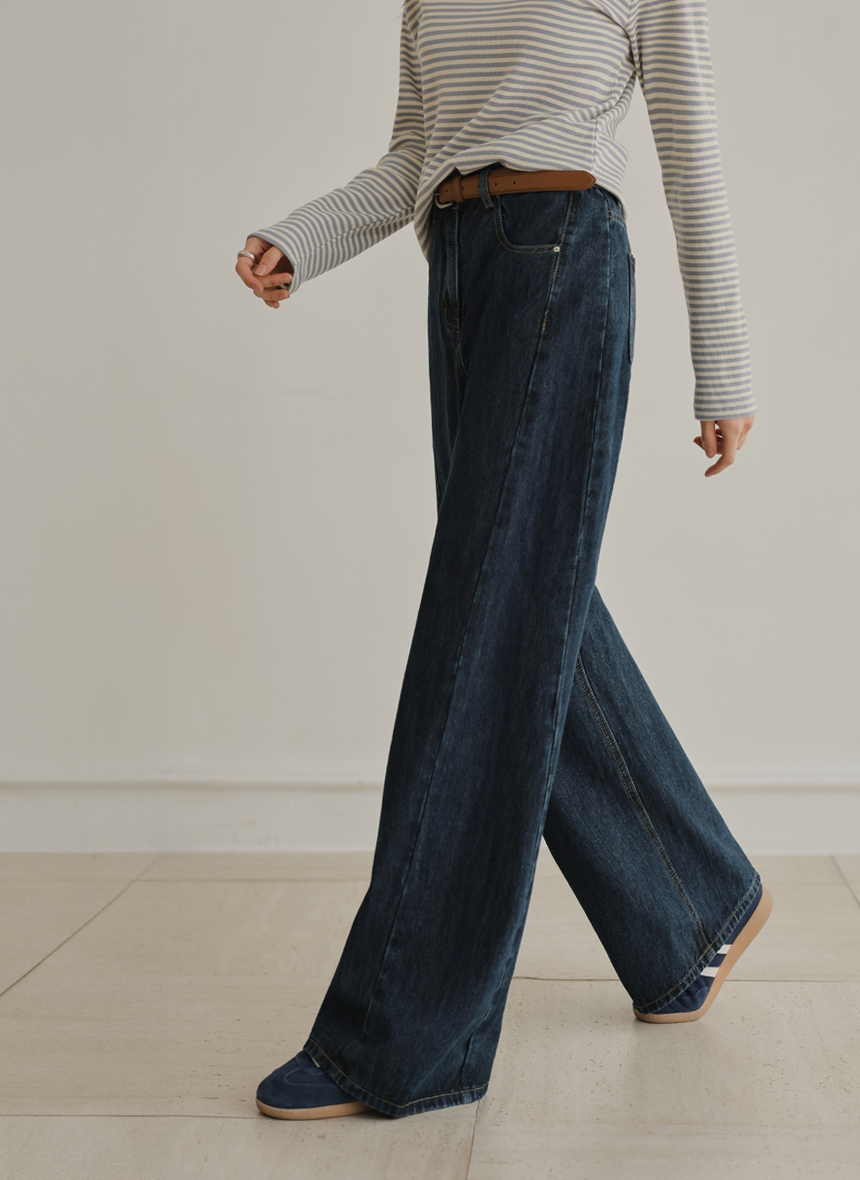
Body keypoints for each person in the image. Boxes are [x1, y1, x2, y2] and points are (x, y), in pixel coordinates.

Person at [235, 0, 772, 1121]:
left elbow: (692, 153)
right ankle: (688, 909)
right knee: (518, 609)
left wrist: (722, 366)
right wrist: (303, 234)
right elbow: (414, 158)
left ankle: (403, 1036)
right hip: (460, 275)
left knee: (482, 631)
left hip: (560, 262)